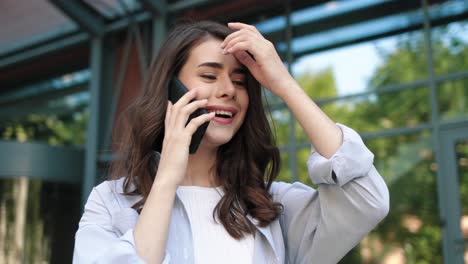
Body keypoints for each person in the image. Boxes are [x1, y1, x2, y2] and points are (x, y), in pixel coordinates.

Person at [72, 20, 389, 264]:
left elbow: (366, 202)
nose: (228, 90)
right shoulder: (112, 202)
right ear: (170, 91)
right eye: (209, 76)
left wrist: (284, 84)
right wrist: (168, 176)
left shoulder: (271, 206)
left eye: (239, 81)